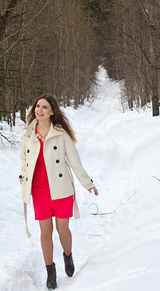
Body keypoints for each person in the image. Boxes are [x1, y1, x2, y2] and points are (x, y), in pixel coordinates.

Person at [19, 94, 99, 290]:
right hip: (38, 189)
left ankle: (68, 255)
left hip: (61, 189)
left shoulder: (61, 134)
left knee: (63, 230)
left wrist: (87, 183)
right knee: (45, 232)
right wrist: (23, 179)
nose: (40, 110)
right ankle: (50, 271)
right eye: (37, 106)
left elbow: (74, 161)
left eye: (45, 107)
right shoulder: (28, 134)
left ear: (52, 111)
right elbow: (24, 160)